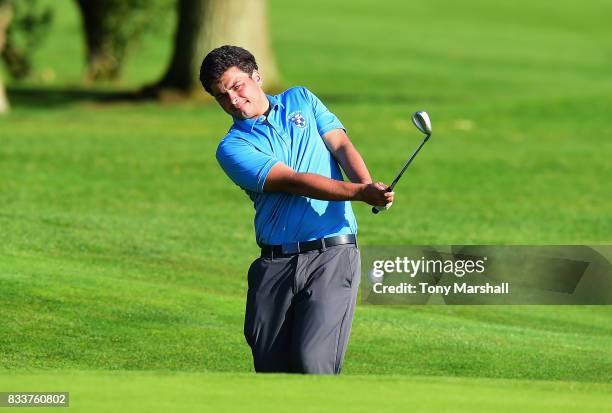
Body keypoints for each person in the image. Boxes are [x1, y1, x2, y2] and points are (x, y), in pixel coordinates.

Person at [199, 45, 394, 374]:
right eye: (221, 96)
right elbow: (294, 181)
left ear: (256, 77)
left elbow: (341, 144)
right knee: (271, 371)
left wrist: (368, 184)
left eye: (237, 86)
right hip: (275, 264)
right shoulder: (232, 148)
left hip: (332, 255)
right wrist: (360, 193)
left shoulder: (301, 99)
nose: (232, 100)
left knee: (312, 364)